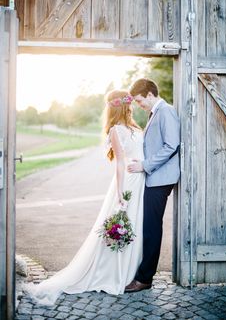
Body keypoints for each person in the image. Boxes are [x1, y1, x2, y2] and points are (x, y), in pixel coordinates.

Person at [24, 90, 145, 306]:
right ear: (122, 106)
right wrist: (119, 193)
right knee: (123, 224)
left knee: (136, 224)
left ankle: (131, 272)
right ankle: (113, 274)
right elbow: (119, 162)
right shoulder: (116, 130)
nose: (132, 106)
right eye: (129, 103)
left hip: (140, 180)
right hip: (128, 183)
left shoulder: (134, 127)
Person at [125, 78, 180, 292]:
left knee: (151, 229)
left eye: (140, 101)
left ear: (149, 94)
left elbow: (171, 145)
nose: (139, 105)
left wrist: (144, 165)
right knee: (149, 227)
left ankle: (145, 278)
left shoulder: (165, 111)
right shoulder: (155, 112)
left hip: (160, 179)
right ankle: (143, 275)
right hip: (155, 178)